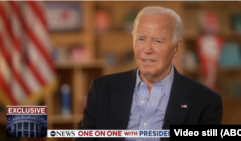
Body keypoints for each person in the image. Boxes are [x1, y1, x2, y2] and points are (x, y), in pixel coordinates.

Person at [75, 6, 223, 141]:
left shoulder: (206, 102)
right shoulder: (102, 89)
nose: (147, 49)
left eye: (157, 41)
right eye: (141, 39)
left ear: (177, 48)